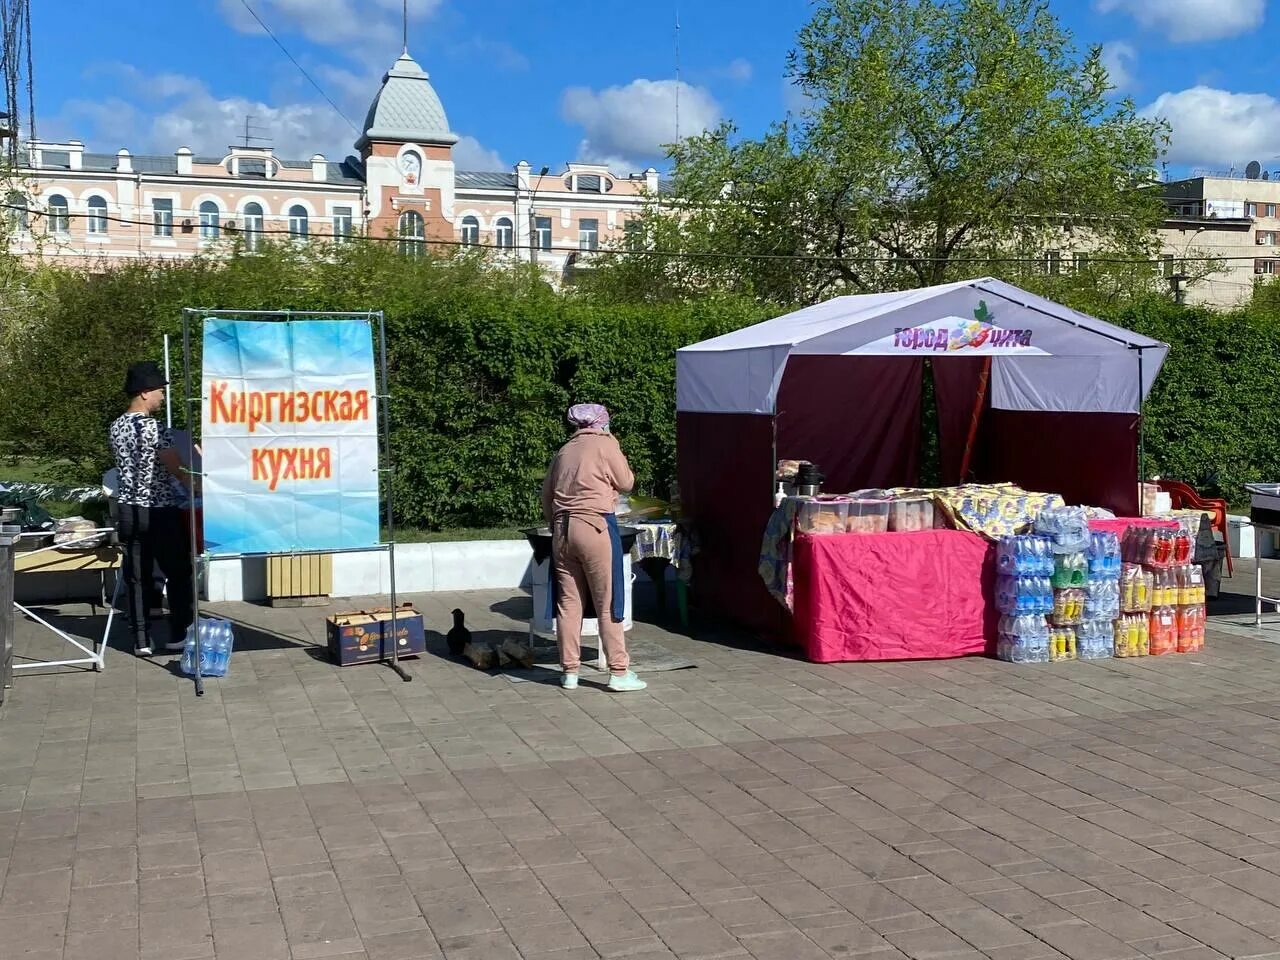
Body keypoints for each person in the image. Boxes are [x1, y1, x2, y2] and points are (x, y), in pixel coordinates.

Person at [541, 403, 646, 692]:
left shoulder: (563, 451)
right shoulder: (605, 444)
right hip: (595, 526)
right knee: (607, 600)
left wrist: (555, 526)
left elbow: (546, 495)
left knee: (568, 603)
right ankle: (619, 671)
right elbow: (626, 482)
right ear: (602, 423)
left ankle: (569, 672)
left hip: (562, 530)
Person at [108, 361, 196, 657]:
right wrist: (194, 485)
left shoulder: (117, 426)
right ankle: (178, 634)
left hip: (128, 509)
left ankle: (141, 638)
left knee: (138, 575)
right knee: (179, 571)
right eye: (159, 391)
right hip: (159, 509)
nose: (161, 396)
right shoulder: (155, 428)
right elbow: (174, 468)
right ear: (144, 393)